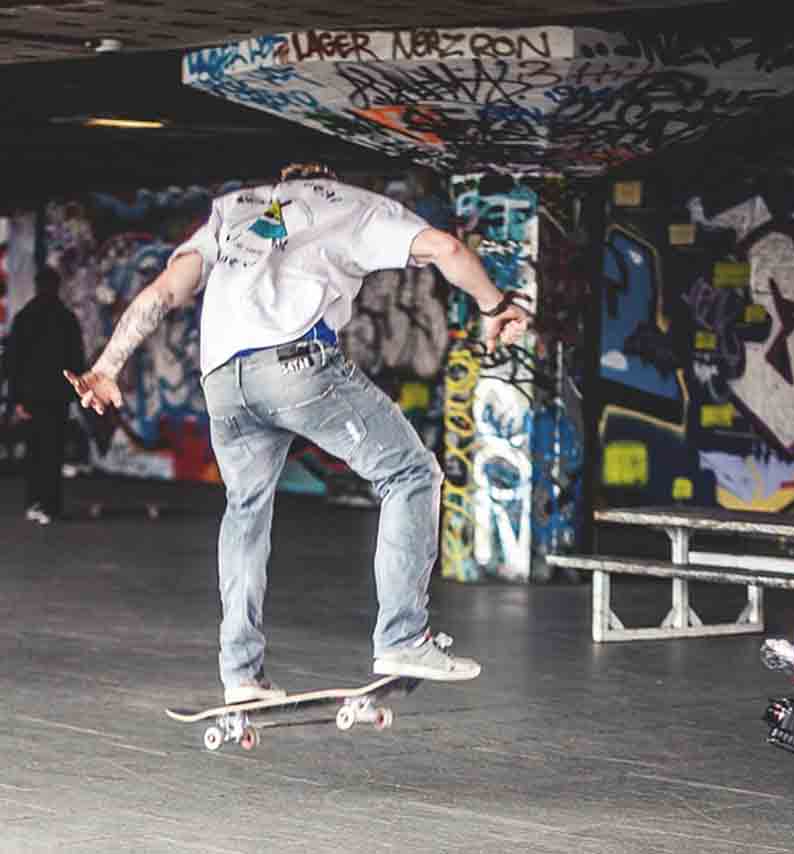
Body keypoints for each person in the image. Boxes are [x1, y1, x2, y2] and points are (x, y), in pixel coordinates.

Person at [65, 162, 530, 704]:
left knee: (244, 511)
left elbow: (165, 291)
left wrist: (106, 367)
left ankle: (240, 675)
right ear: (325, 177)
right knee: (409, 472)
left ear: (283, 179)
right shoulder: (352, 203)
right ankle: (403, 637)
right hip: (296, 367)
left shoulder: (232, 210)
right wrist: (496, 305)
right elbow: (446, 250)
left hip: (222, 381)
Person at [5, 265, 86, 525]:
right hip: (57, 398)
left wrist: (15, 400)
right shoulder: (66, 318)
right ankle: (52, 505)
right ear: (57, 287)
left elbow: (12, 362)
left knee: (35, 451)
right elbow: (76, 360)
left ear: (37, 286)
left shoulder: (24, 318)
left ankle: (34, 502)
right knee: (53, 452)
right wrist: (77, 393)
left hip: (31, 397)